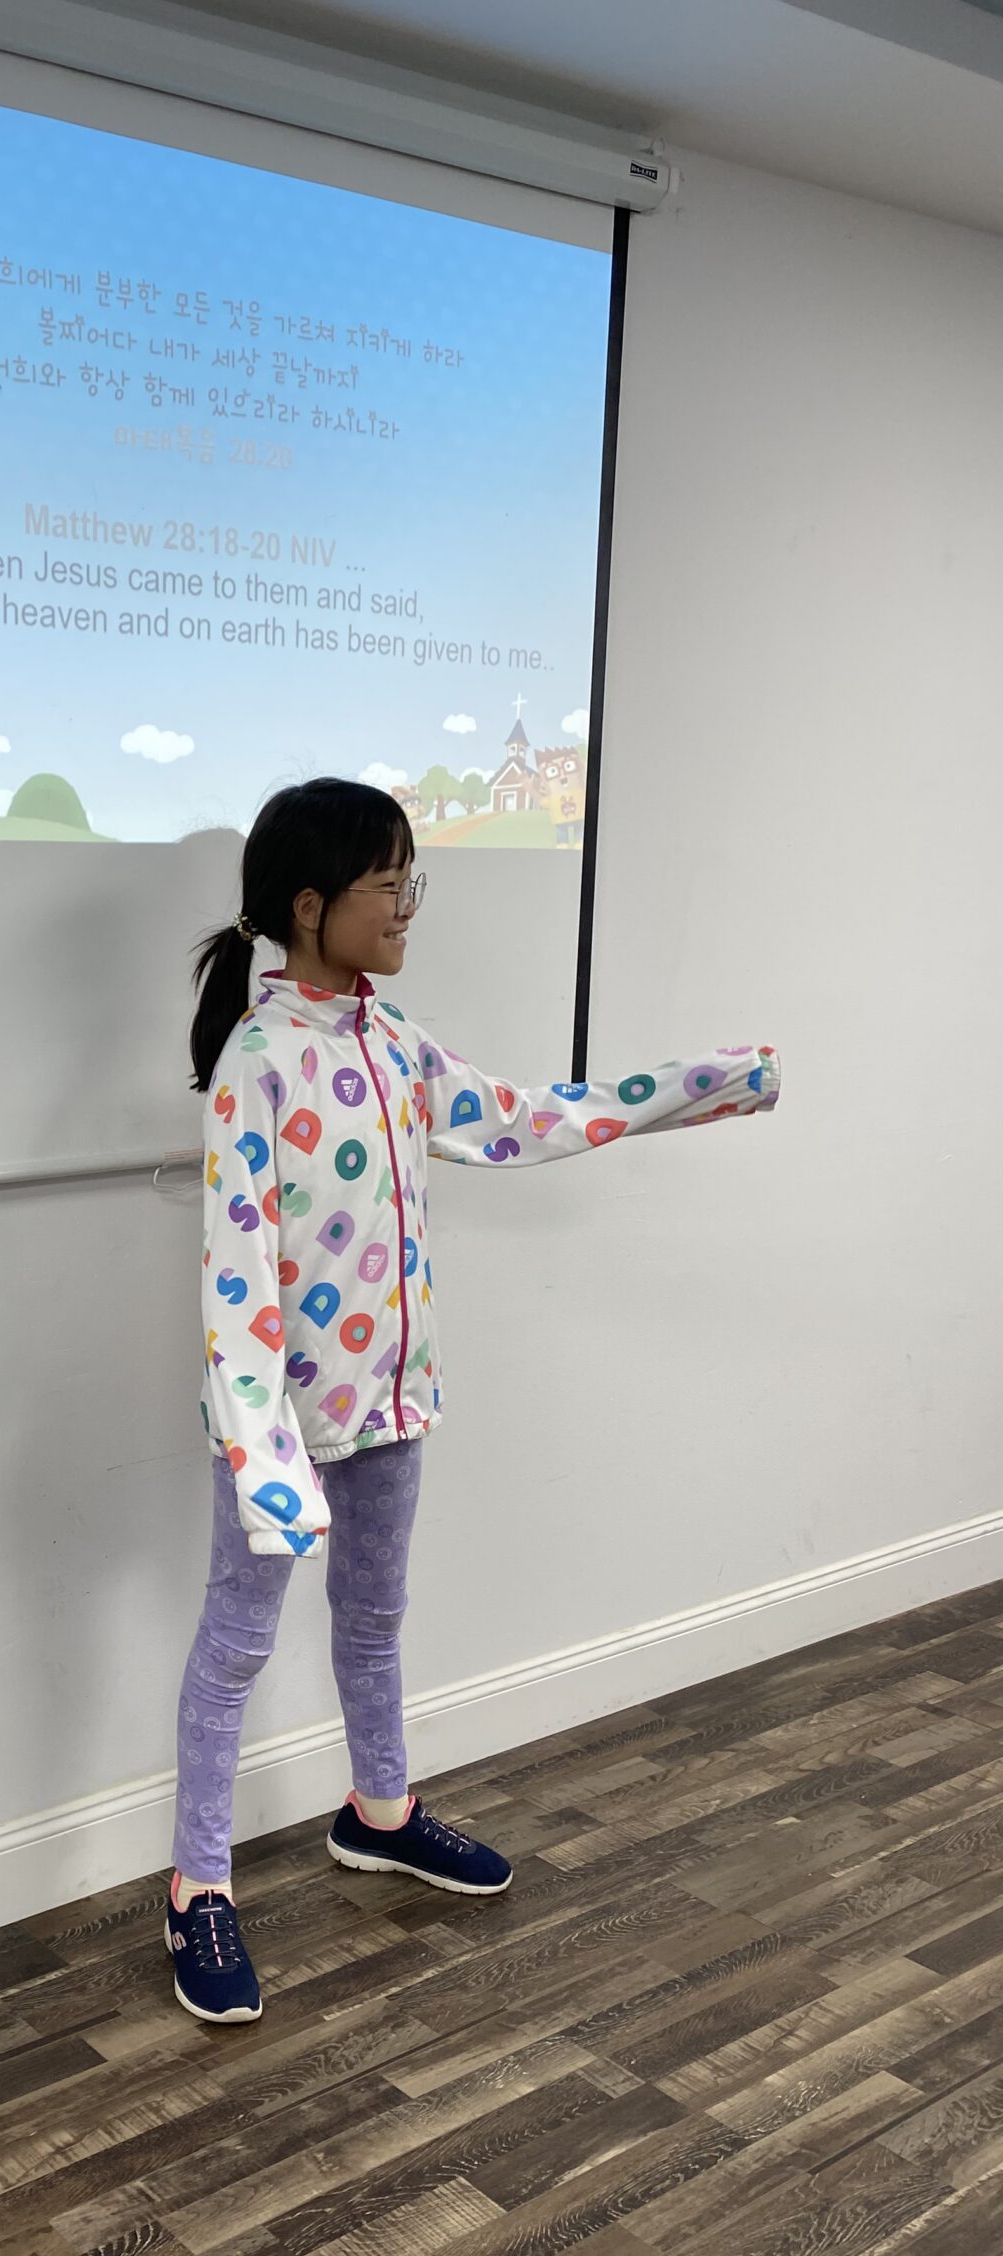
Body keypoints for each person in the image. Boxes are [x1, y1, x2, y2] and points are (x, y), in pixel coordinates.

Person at [168, 777, 779, 2023]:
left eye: (412, 882)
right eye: (389, 884)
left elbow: (528, 1118)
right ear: (310, 905)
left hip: (393, 1404)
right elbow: (236, 1275)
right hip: (283, 1428)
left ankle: (379, 1809)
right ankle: (198, 1886)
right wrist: (264, 1456)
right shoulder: (256, 1063)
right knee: (235, 1649)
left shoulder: (396, 1043)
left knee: (375, 1620)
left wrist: (704, 1086)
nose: (407, 907)